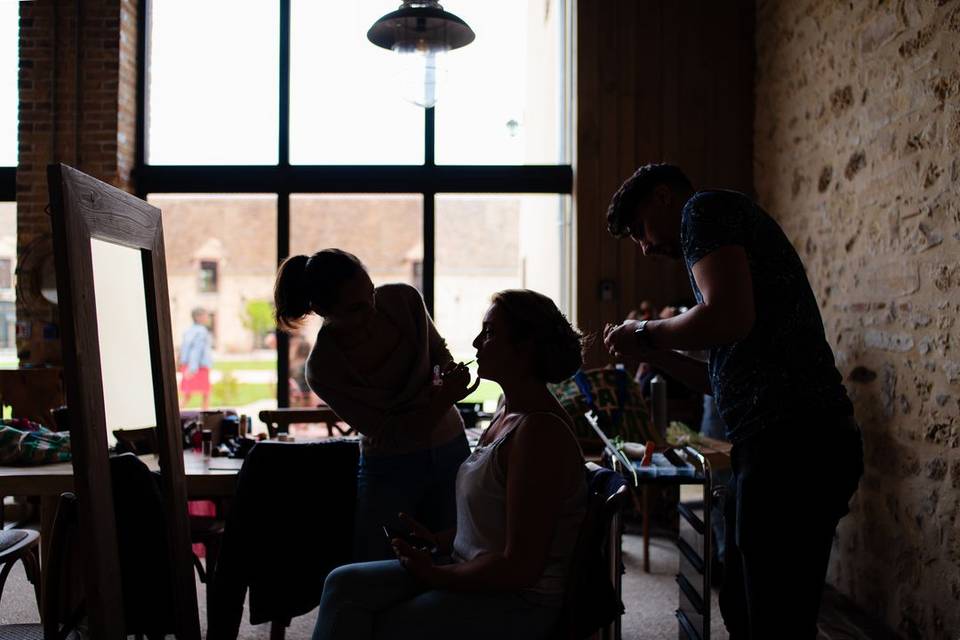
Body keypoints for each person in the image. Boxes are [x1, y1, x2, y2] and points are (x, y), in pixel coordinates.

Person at [602, 164, 863, 639]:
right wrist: (653, 353)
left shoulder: (703, 211)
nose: (643, 247)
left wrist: (644, 330)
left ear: (663, 196)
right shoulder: (715, 245)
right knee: (747, 604)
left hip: (793, 441)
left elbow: (727, 318)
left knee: (772, 615)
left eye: (639, 229)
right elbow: (717, 379)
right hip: (786, 440)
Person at [311, 289, 586, 640]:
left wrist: (437, 576)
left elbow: (521, 568)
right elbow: (497, 525)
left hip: (517, 600)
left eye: (489, 333)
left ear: (525, 348)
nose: (475, 343)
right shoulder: (507, 410)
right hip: (467, 568)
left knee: (382, 625)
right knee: (342, 583)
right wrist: (442, 540)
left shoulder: (540, 433)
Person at [273, 249, 475, 561]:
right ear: (321, 309)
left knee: (456, 554)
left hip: (451, 447)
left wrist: (443, 375)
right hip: (390, 466)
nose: (371, 310)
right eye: (355, 308)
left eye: (371, 294)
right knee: (379, 565)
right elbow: (392, 434)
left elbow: (439, 352)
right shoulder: (323, 368)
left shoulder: (404, 299)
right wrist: (444, 397)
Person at [179, 307, 213, 410]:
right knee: (206, 394)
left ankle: (177, 412)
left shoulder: (188, 331)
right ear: (198, 317)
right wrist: (192, 368)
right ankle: (206, 416)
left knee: (187, 394)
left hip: (188, 365)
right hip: (199, 367)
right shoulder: (201, 332)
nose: (208, 317)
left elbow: (185, 350)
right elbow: (196, 350)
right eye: (205, 315)